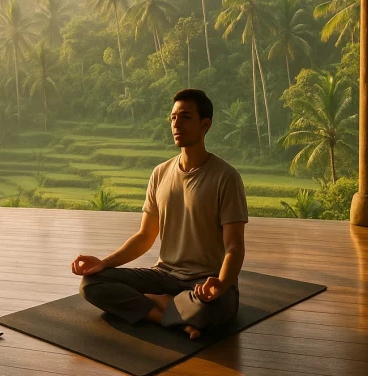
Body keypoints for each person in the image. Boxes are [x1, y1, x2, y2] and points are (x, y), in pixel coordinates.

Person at [71, 89, 248, 339]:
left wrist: (220, 284)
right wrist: (104, 263)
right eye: (173, 118)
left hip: (205, 282)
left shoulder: (226, 178)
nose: (176, 123)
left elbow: (234, 248)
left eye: (185, 117)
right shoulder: (160, 173)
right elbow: (145, 236)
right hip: (163, 276)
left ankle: (158, 305)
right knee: (91, 284)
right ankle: (164, 314)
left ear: (205, 124)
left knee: (214, 310)